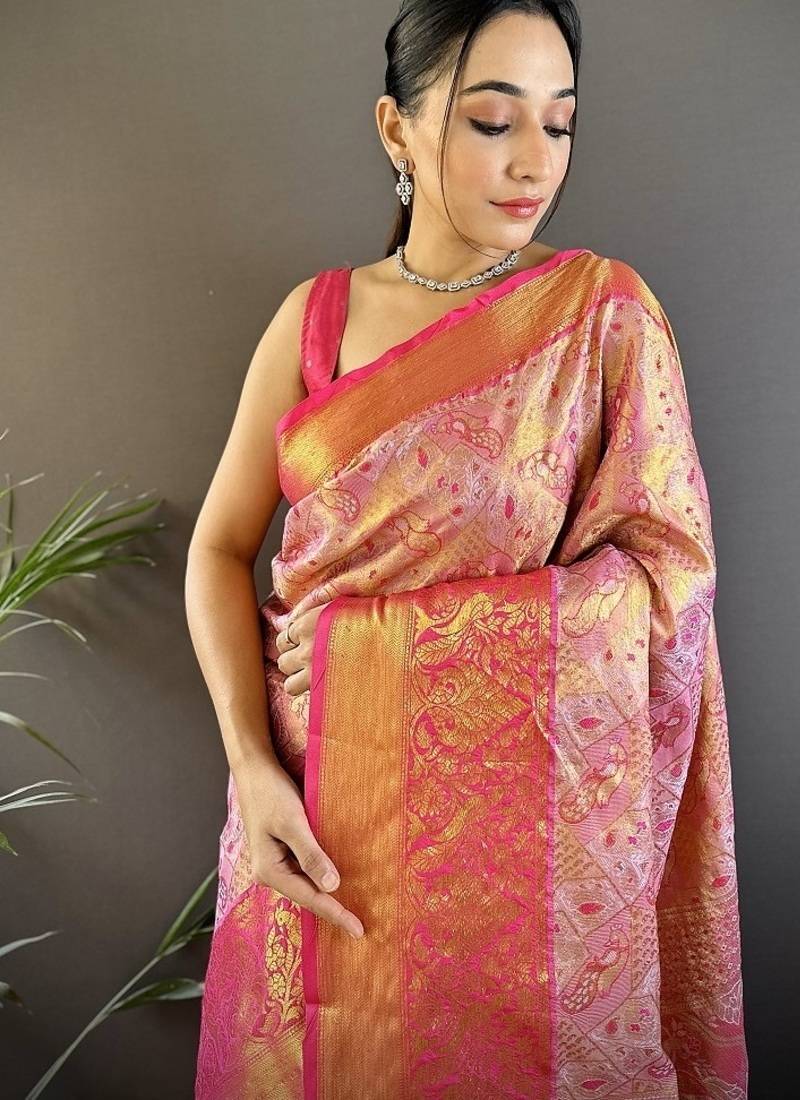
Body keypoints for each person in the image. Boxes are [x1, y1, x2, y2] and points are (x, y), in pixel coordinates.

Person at [185, 2, 749, 1097]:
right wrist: (251, 769)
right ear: (396, 129)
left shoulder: (601, 317)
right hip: (311, 825)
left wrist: (381, 654)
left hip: (521, 866)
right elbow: (218, 550)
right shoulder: (316, 317)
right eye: (493, 121)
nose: (535, 161)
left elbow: (667, 588)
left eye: (559, 123)